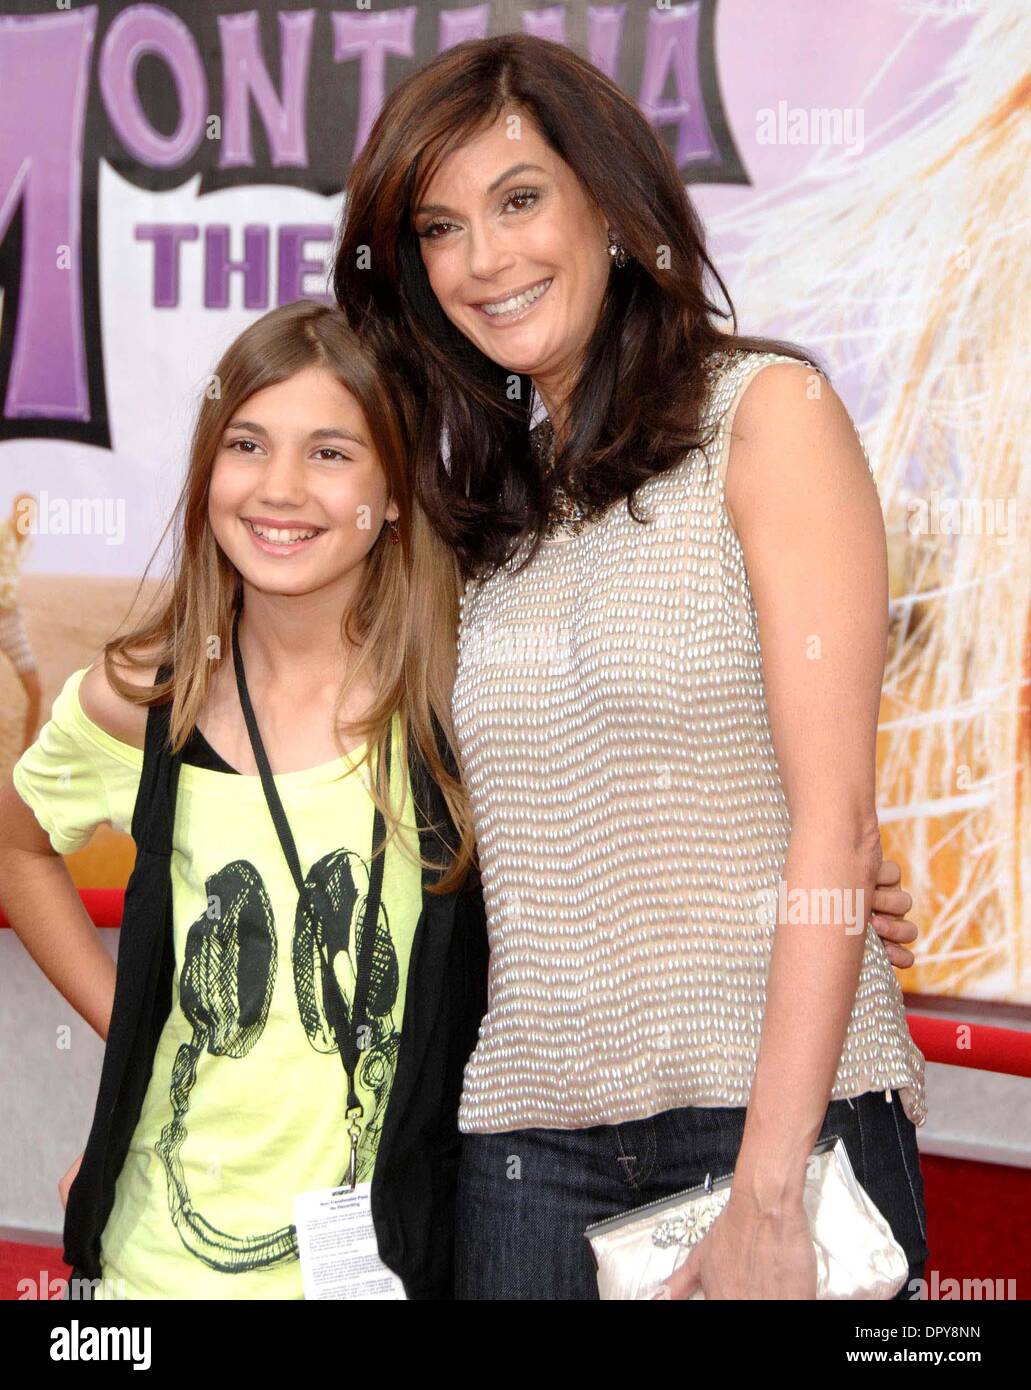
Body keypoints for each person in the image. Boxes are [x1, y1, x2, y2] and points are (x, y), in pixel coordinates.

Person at [333, 33, 929, 1300]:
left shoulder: (764, 416)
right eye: (438, 227)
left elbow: (832, 820)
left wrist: (770, 1189)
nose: (482, 259)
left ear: (607, 203)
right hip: (522, 1154)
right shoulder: (483, 509)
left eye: (518, 199)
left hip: (767, 1131)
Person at [0, 300, 488, 1300]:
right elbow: (17, 846)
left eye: (329, 453)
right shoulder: (149, 698)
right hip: (153, 1273)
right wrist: (130, 1020)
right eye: (247, 444)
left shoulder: (456, 706)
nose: (279, 489)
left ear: (394, 490)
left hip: (382, 1263)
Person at [0, 491, 43, 753]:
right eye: (22, 512)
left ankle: (25, 754)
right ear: (14, 512)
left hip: (10, 620)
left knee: (35, 691)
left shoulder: (28, 543)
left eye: (31, 515)